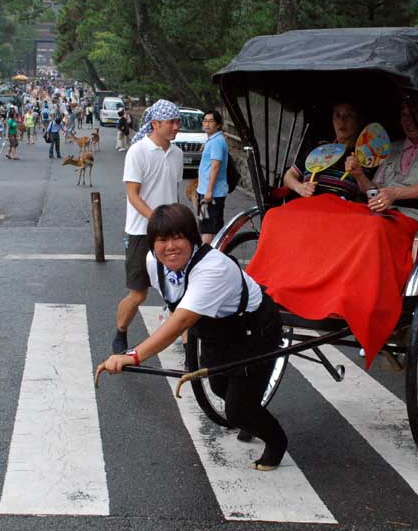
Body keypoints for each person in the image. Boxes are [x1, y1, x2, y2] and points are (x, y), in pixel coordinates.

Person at [98, 204, 287, 471]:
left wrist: (132, 356)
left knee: (238, 409)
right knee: (220, 387)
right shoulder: (155, 261)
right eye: (162, 240)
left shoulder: (212, 268)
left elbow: (181, 320)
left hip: (252, 329)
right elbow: (176, 304)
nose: (170, 246)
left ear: (193, 239)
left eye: (178, 237)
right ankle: (252, 415)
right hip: (215, 330)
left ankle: (277, 441)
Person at [112, 99, 184, 355]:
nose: (177, 127)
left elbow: (173, 192)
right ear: (155, 124)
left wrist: (178, 222)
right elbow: (133, 195)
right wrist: (156, 219)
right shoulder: (138, 152)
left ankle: (189, 348)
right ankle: (120, 331)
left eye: (178, 122)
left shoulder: (177, 153)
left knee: (181, 293)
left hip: (171, 233)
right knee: (138, 293)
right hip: (141, 232)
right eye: (172, 122)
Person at [344, 101, 418, 223]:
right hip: (382, 214)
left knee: (373, 227)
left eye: (413, 115)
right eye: (404, 115)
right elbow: (374, 190)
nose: (408, 121)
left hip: (413, 217)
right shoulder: (389, 148)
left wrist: (395, 193)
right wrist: (359, 174)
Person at [283, 102, 364, 200]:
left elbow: (369, 192)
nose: (342, 121)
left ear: (358, 121)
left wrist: (359, 175)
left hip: (339, 210)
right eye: (337, 115)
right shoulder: (319, 149)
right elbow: (289, 175)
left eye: (349, 115)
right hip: (306, 206)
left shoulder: (363, 157)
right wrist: (300, 187)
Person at [196, 110, 229, 244]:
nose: (207, 124)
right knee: (206, 225)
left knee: (208, 228)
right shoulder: (213, 140)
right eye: (205, 121)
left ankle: (206, 257)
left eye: (211, 121)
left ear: (219, 125)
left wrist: (209, 191)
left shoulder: (216, 142)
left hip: (211, 195)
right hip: (205, 192)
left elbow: (215, 167)